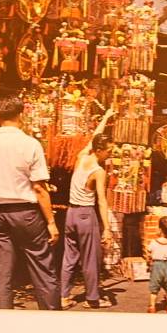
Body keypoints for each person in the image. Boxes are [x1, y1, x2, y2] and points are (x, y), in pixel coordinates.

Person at [0, 95, 61, 310]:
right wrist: (51, 222)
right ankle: (52, 318)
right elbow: (39, 188)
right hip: (26, 213)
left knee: (2, 272)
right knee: (43, 268)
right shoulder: (30, 144)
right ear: (21, 115)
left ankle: (3, 320)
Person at [60, 109, 115, 310]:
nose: (110, 155)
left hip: (71, 214)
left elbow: (93, 138)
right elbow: (101, 200)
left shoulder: (82, 156)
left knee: (69, 257)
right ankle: (93, 299)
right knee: (90, 259)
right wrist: (107, 228)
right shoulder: (98, 171)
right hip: (85, 214)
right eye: (108, 151)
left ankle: (63, 296)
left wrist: (106, 118)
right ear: (99, 150)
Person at [146, 216, 167, 314]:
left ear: (160, 229)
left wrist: (148, 263)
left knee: (154, 289)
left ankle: (152, 306)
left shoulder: (153, 242)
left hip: (157, 266)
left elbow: (149, 254)